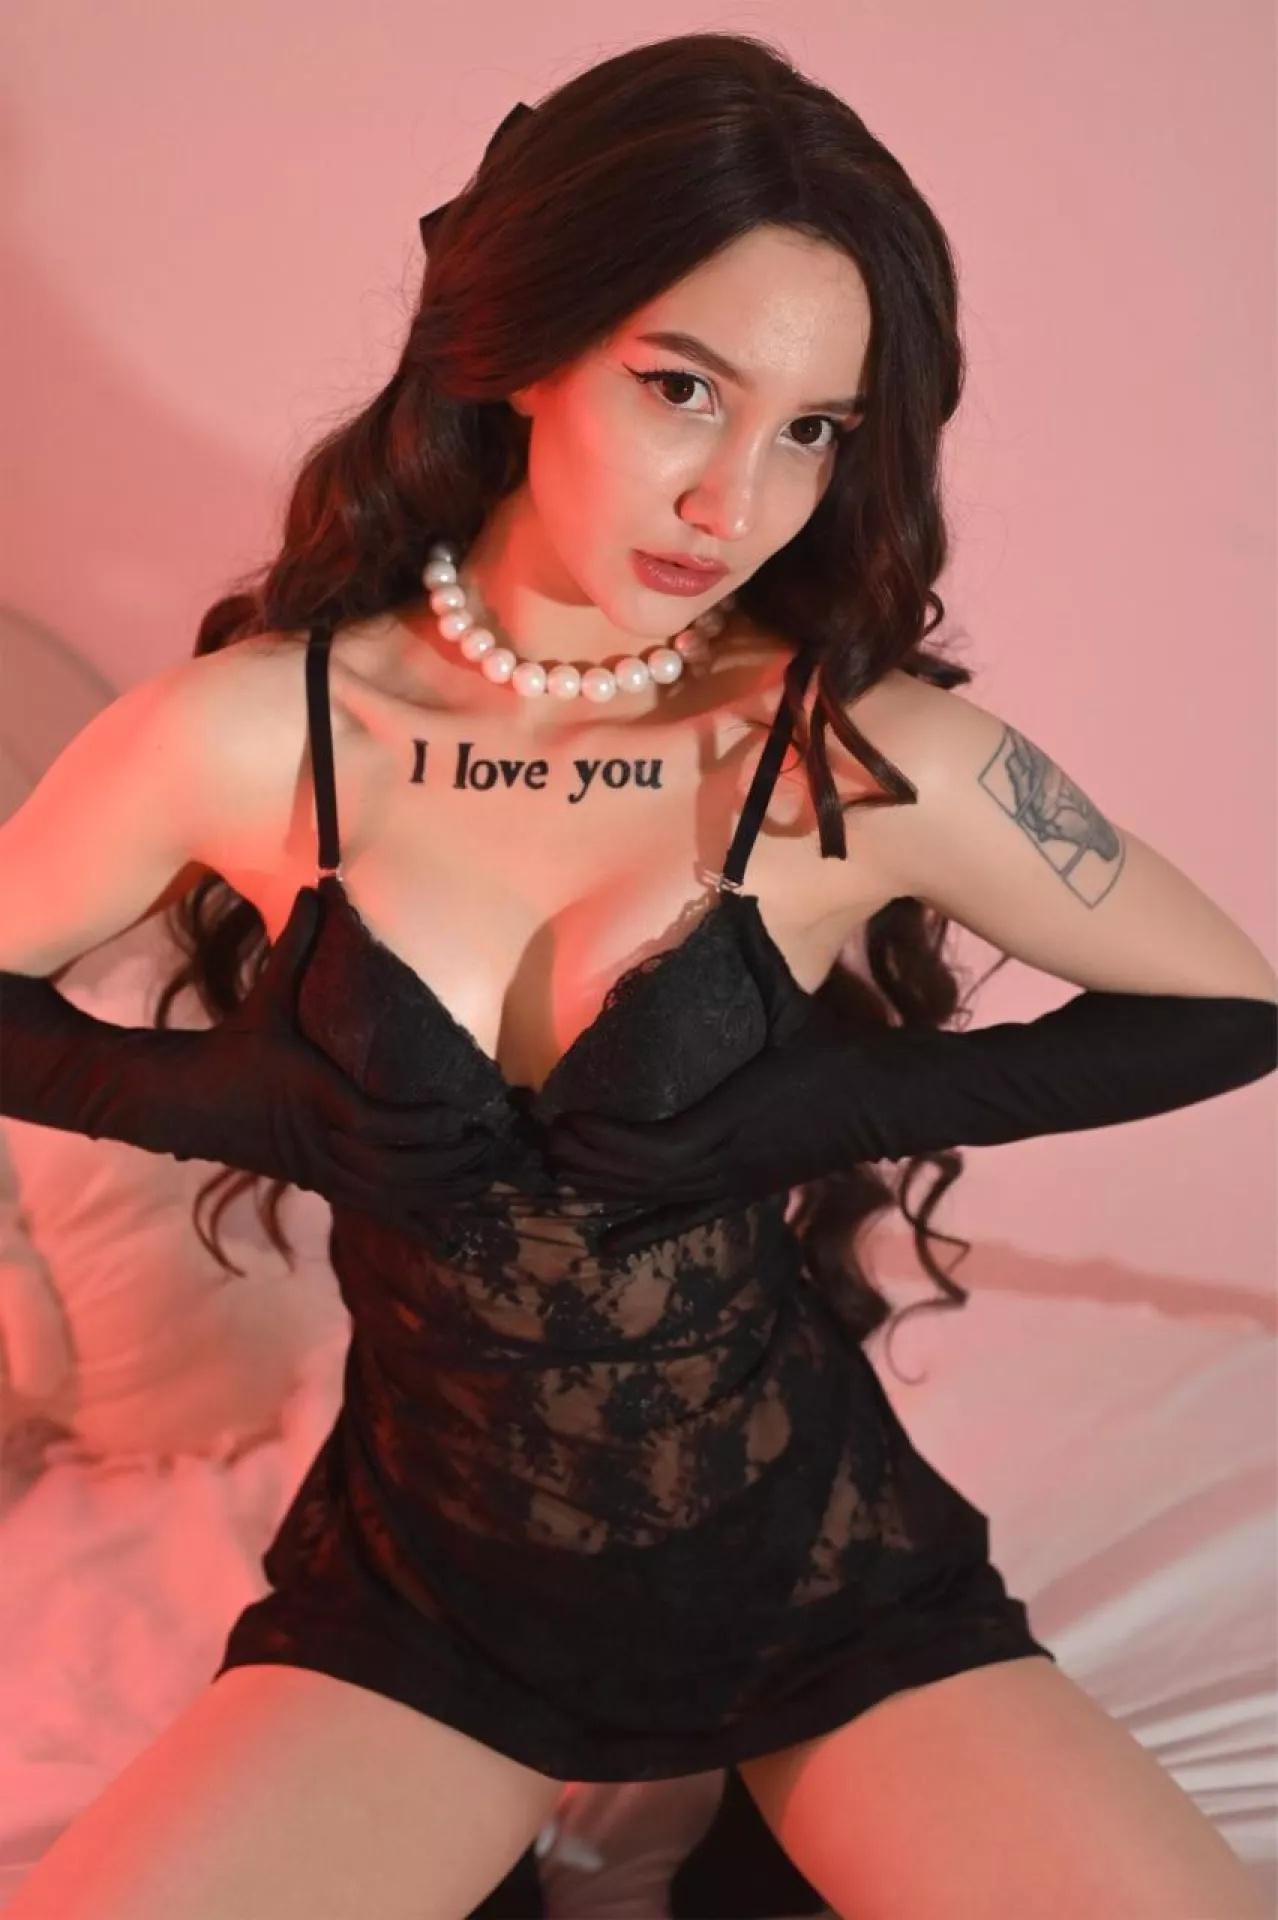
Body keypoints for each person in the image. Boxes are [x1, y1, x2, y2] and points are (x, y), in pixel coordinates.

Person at [2, 30, 1275, 1920]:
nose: (734, 501)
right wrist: (210, 1102)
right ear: (519, 346)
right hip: (427, 1600)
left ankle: (765, 1834)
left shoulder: (845, 746)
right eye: (684, 388)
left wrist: (837, 1098)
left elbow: (1229, 1007)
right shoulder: (265, 733)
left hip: (816, 1573)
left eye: (812, 431)